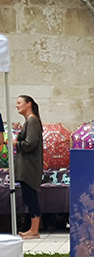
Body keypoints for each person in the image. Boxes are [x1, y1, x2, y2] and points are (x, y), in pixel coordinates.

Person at [14, 95, 43, 239]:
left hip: (29, 168)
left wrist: (16, 144)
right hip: (26, 167)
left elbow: (30, 143)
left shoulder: (32, 122)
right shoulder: (29, 122)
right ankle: (33, 228)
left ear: (28, 104)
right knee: (28, 197)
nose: (17, 105)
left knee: (31, 197)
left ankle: (34, 230)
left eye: (19, 103)